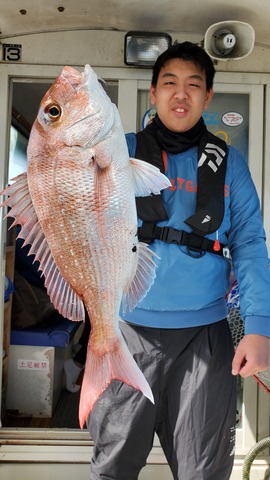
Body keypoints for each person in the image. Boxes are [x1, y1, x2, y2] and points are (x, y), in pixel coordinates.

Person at [86, 42, 270, 480]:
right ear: (152, 93)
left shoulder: (231, 166)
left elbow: (249, 244)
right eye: (169, 83)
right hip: (124, 333)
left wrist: (260, 326)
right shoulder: (115, 154)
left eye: (194, 85)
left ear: (208, 98)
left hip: (204, 341)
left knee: (203, 472)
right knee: (112, 466)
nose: (180, 94)